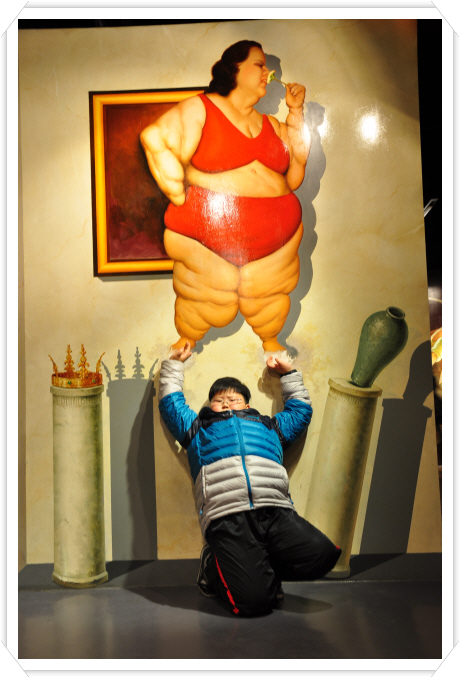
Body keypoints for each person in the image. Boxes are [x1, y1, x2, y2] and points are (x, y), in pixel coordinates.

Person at [141, 40, 311, 352]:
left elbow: (296, 171)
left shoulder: (273, 125)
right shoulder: (201, 108)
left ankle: (271, 342)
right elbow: (156, 137)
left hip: (278, 244)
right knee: (202, 298)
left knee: (270, 302)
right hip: (207, 242)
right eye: (259, 65)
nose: (268, 72)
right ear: (235, 69)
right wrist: (176, 191)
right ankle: (187, 339)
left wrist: (296, 111)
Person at [158, 342, 341, 616]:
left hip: (275, 511)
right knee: (253, 605)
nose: (226, 402)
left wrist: (288, 373)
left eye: (234, 399)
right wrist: (174, 364)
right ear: (210, 406)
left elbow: (300, 412)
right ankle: (213, 567)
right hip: (227, 516)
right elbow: (171, 404)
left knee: (325, 555)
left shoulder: (269, 426)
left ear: (247, 404)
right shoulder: (197, 429)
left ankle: (259, 570)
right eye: (218, 400)